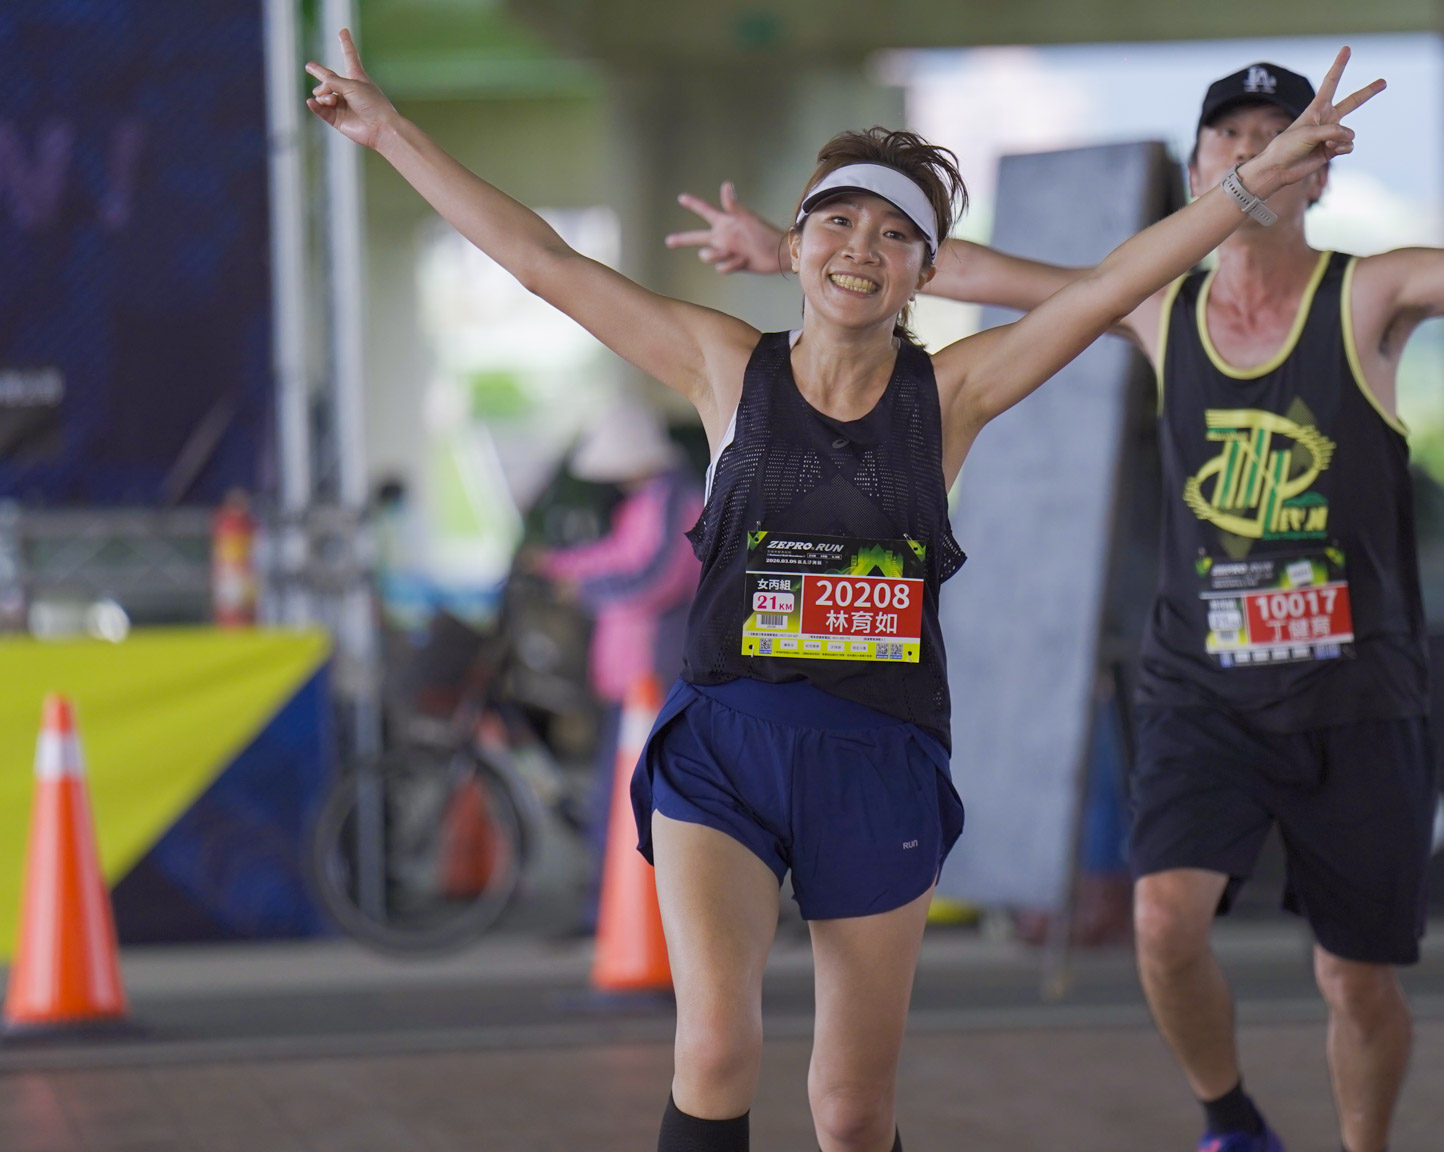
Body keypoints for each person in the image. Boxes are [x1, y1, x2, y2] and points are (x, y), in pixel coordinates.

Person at [672, 61, 1444, 1152]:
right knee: (1163, 923)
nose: (1254, 151)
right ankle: (1229, 1118)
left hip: (1357, 693)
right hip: (1203, 689)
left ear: (1318, 167)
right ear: (1202, 173)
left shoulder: (1368, 294)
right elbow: (963, 268)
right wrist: (786, 244)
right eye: (1229, 138)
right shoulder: (1155, 306)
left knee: (1355, 982)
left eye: (1278, 135)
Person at [306, 31, 1380, 1152]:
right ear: (796, 245)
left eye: (895, 233)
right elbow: (541, 262)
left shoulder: (953, 394)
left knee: (852, 1111)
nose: (862, 246)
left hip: (876, 760)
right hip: (724, 746)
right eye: (838, 220)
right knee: (714, 1049)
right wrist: (390, 133)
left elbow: (1118, 282)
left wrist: (1252, 182)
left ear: (925, 271)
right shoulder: (723, 365)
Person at [535, 392, 704, 918]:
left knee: (629, 792)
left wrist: (579, 585)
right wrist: (562, 565)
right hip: (636, 674)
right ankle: (614, 909)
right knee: (624, 791)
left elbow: (654, 577)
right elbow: (624, 558)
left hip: (653, 673)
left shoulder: (673, 500)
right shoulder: (652, 499)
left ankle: (615, 913)